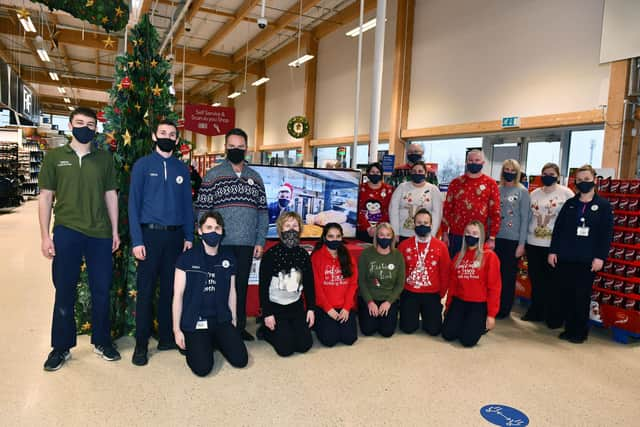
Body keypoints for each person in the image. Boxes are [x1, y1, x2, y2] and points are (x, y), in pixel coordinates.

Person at [38, 107, 121, 371]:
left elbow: (111, 195)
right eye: (80, 122)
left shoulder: (104, 159)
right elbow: (46, 197)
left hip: (99, 233)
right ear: (71, 125)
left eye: (90, 123)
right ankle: (60, 347)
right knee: (64, 290)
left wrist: (115, 231)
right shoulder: (55, 158)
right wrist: (44, 236)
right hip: (66, 230)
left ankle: (102, 341)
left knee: (101, 290)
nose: (85, 127)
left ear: (96, 128)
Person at [128, 120, 194, 366]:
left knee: (171, 289)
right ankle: (141, 345)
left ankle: (167, 337)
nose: (168, 137)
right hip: (149, 236)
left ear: (177, 140)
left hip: (175, 237)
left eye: (172, 134)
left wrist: (189, 236)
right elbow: (133, 205)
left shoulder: (181, 169)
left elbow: (188, 206)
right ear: (155, 136)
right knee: (145, 292)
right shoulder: (143, 166)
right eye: (163, 133)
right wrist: (137, 240)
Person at [195, 128, 269, 341]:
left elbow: (263, 212)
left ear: (246, 148)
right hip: (220, 244)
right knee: (219, 286)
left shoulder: (256, 178)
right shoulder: (213, 175)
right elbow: (202, 210)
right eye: (232, 146)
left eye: (240, 146)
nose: (236, 149)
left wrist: (260, 241)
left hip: (246, 243)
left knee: (241, 286)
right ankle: (220, 327)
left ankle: (239, 327)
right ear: (225, 147)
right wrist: (206, 238)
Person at [172, 211, 248, 377]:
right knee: (203, 368)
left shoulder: (229, 259)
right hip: (196, 320)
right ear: (200, 231)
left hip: (221, 319)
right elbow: (177, 296)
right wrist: (177, 330)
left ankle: (215, 340)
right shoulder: (186, 259)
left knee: (241, 360)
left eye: (217, 228)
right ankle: (204, 342)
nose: (213, 231)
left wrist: (234, 319)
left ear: (222, 232)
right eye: (208, 227)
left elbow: (232, 292)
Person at [547, 165, 613, 343]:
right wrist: (553, 251)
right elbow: (558, 230)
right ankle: (569, 329)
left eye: (587, 179)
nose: (583, 182)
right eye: (580, 180)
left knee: (581, 296)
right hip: (566, 257)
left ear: (594, 180)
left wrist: (600, 257)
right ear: (575, 182)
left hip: (587, 260)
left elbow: (606, 234)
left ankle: (579, 332)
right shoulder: (570, 204)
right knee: (567, 294)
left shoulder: (603, 206)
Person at [522, 163, 574, 323]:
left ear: (557, 176)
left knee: (554, 283)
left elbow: (570, 219)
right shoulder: (535, 193)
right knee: (536, 281)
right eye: (544, 173)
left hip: (553, 245)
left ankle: (553, 315)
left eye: (551, 173)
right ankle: (536, 311)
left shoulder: (566, 193)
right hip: (533, 242)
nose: (547, 176)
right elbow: (529, 217)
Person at [259, 212, 315, 356]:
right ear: (280, 229)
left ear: (300, 229)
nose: (291, 229)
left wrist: (311, 309)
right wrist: (267, 313)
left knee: (304, 345)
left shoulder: (303, 255)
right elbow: (263, 287)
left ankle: (288, 328)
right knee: (286, 349)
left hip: (295, 305)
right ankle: (265, 330)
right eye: (287, 225)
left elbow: (309, 283)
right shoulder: (271, 254)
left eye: (295, 226)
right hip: (275, 307)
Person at [442, 221, 501, 347]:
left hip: (478, 304)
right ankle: (464, 322)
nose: (470, 236)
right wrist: (448, 306)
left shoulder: (490, 256)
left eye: (475, 233)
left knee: (467, 341)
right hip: (460, 301)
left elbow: (494, 288)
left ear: (482, 236)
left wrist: (491, 315)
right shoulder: (458, 256)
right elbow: (452, 285)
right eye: (468, 233)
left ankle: (478, 324)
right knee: (448, 334)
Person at [398, 209, 450, 335]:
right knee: (407, 328)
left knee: (434, 330)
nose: (422, 226)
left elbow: (445, 272)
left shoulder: (441, 246)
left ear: (431, 225)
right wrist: (400, 292)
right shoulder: (404, 245)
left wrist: (441, 294)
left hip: (431, 293)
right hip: (410, 291)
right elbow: (399, 272)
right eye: (419, 222)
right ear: (414, 224)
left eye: (426, 223)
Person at [442, 149, 501, 258]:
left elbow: (495, 212)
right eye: (470, 160)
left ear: (483, 163)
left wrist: (492, 237)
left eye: (477, 160)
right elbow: (447, 209)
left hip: (479, 236)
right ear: (466, 162)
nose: (473, 163)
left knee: (476, 271)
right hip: (457, 235)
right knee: (456, 267)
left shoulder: (491, 184)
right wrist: (445, 232)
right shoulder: (456, 183)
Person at [311, 223, 359, 347]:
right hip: (324, 307)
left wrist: (347, 308)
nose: (335, 240)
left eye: (338, 236)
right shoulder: (316, 257)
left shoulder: (348, 256)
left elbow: (353, 284)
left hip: (344, 306)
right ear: (324, 238)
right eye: (331, 236)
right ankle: (318, 323)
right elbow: (316, 287)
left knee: (349, 339)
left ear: (342, 237)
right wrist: (328, 309)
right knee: (330, 340)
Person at [494, 159, 530, 319]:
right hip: (496, 238)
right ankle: (494, 305)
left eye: (512, 170)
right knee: (495, 275)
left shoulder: (522, 191)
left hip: (513, 241)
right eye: (506, 169)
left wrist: (521, 244)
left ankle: (504, 308)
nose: (509, 172)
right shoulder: (497, 188)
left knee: (508, 277)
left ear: (517, 173)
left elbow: (525, 219)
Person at [357, 222, 405, 337]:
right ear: (376, 236)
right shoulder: (366, 254)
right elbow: (361, 281)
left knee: (387, 332)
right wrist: (369, 302)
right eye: (381, 235)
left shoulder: (398, 255)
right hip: (370, 297)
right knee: (368, 330)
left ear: (392, 237)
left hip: (388, 298)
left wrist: (389, 302)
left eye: (388, 235)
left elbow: (400, 283)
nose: (385, 238)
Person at [390, 161, 443, 242]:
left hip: (424, 235)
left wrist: (432, 235)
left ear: (425, 174)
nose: (417, 173)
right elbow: (393, 209)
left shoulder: (433, 189)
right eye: (414, 171)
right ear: (410, 173)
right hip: (402, 234)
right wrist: (395, 232)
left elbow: (437, 214)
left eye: (420, 171)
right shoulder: (401, 187)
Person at [357, 162, 393, 242]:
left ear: (381, 174)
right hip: (363, 229)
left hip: (383, 231)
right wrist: (368, 227)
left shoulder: (389, 190)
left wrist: (378, 227)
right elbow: (357, 209)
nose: (375, 174)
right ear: (367, 173)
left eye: (377, 172)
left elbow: (389, 210)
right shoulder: (360, 189)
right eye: (372, 172)